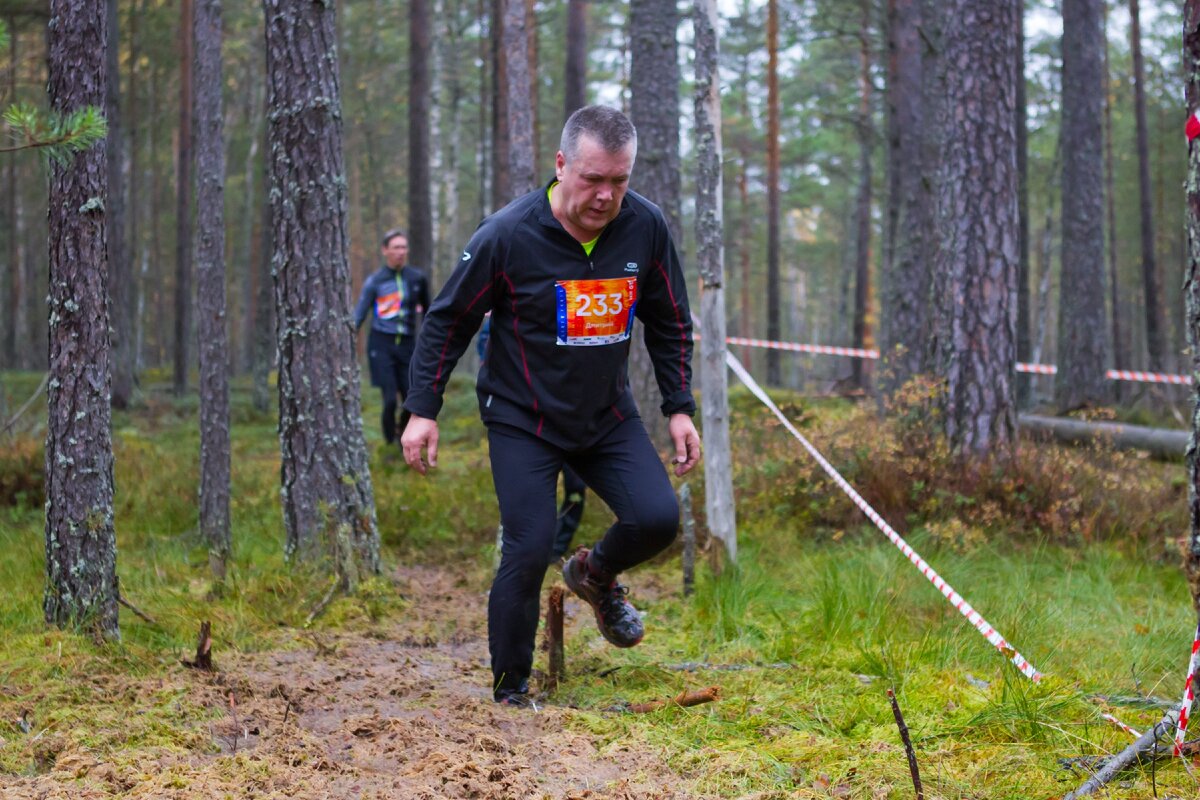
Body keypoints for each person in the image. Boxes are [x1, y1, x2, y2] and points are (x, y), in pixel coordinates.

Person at [401, 105, 701, 708]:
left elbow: (670, 321)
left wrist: (678, 405)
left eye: (620, 181)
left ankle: (594, 574)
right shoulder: (508, 234)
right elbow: (447, 321)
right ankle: (511, 688)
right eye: (593, 179)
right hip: (523, 417)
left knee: (658, 518)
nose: (606, 195)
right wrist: (423, 408)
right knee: (531, 544)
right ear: (561, 165)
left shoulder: (645, 226)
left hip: (604, 415)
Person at [478, 313, 587, 566]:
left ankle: (555, 551)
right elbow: (484, 350)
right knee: (533, 494)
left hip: (575, 416)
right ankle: (532, 552)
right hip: (526, 417)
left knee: (576, 490)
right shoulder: (501, 315)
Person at [354, 229, 431, 447]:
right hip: (381, 346)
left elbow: (429, 312)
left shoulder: (417, 278)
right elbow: (359, 314)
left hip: (408, 347)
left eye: (404, 247)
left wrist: (430, 342)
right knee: (389, 400)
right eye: (396, 247)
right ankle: (389, 446)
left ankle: (402, 439)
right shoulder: (375, 281)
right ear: (385, 250)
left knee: (410, 400)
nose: (400, 252)